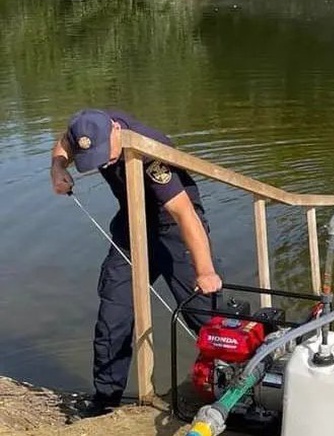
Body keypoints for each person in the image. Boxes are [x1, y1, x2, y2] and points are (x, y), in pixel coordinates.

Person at [49, 109, 222, 417]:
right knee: (112, 315)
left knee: (203, 312)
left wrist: (205, 271)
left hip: (174, 227)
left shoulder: (150, 152)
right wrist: (58, 167)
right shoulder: (87, 129)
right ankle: (105, 402)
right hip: (132, 224)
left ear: (117, 130)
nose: (104, 162)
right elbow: (64, 142)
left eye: (106, 154)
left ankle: (237, 376)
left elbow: (185, 214)